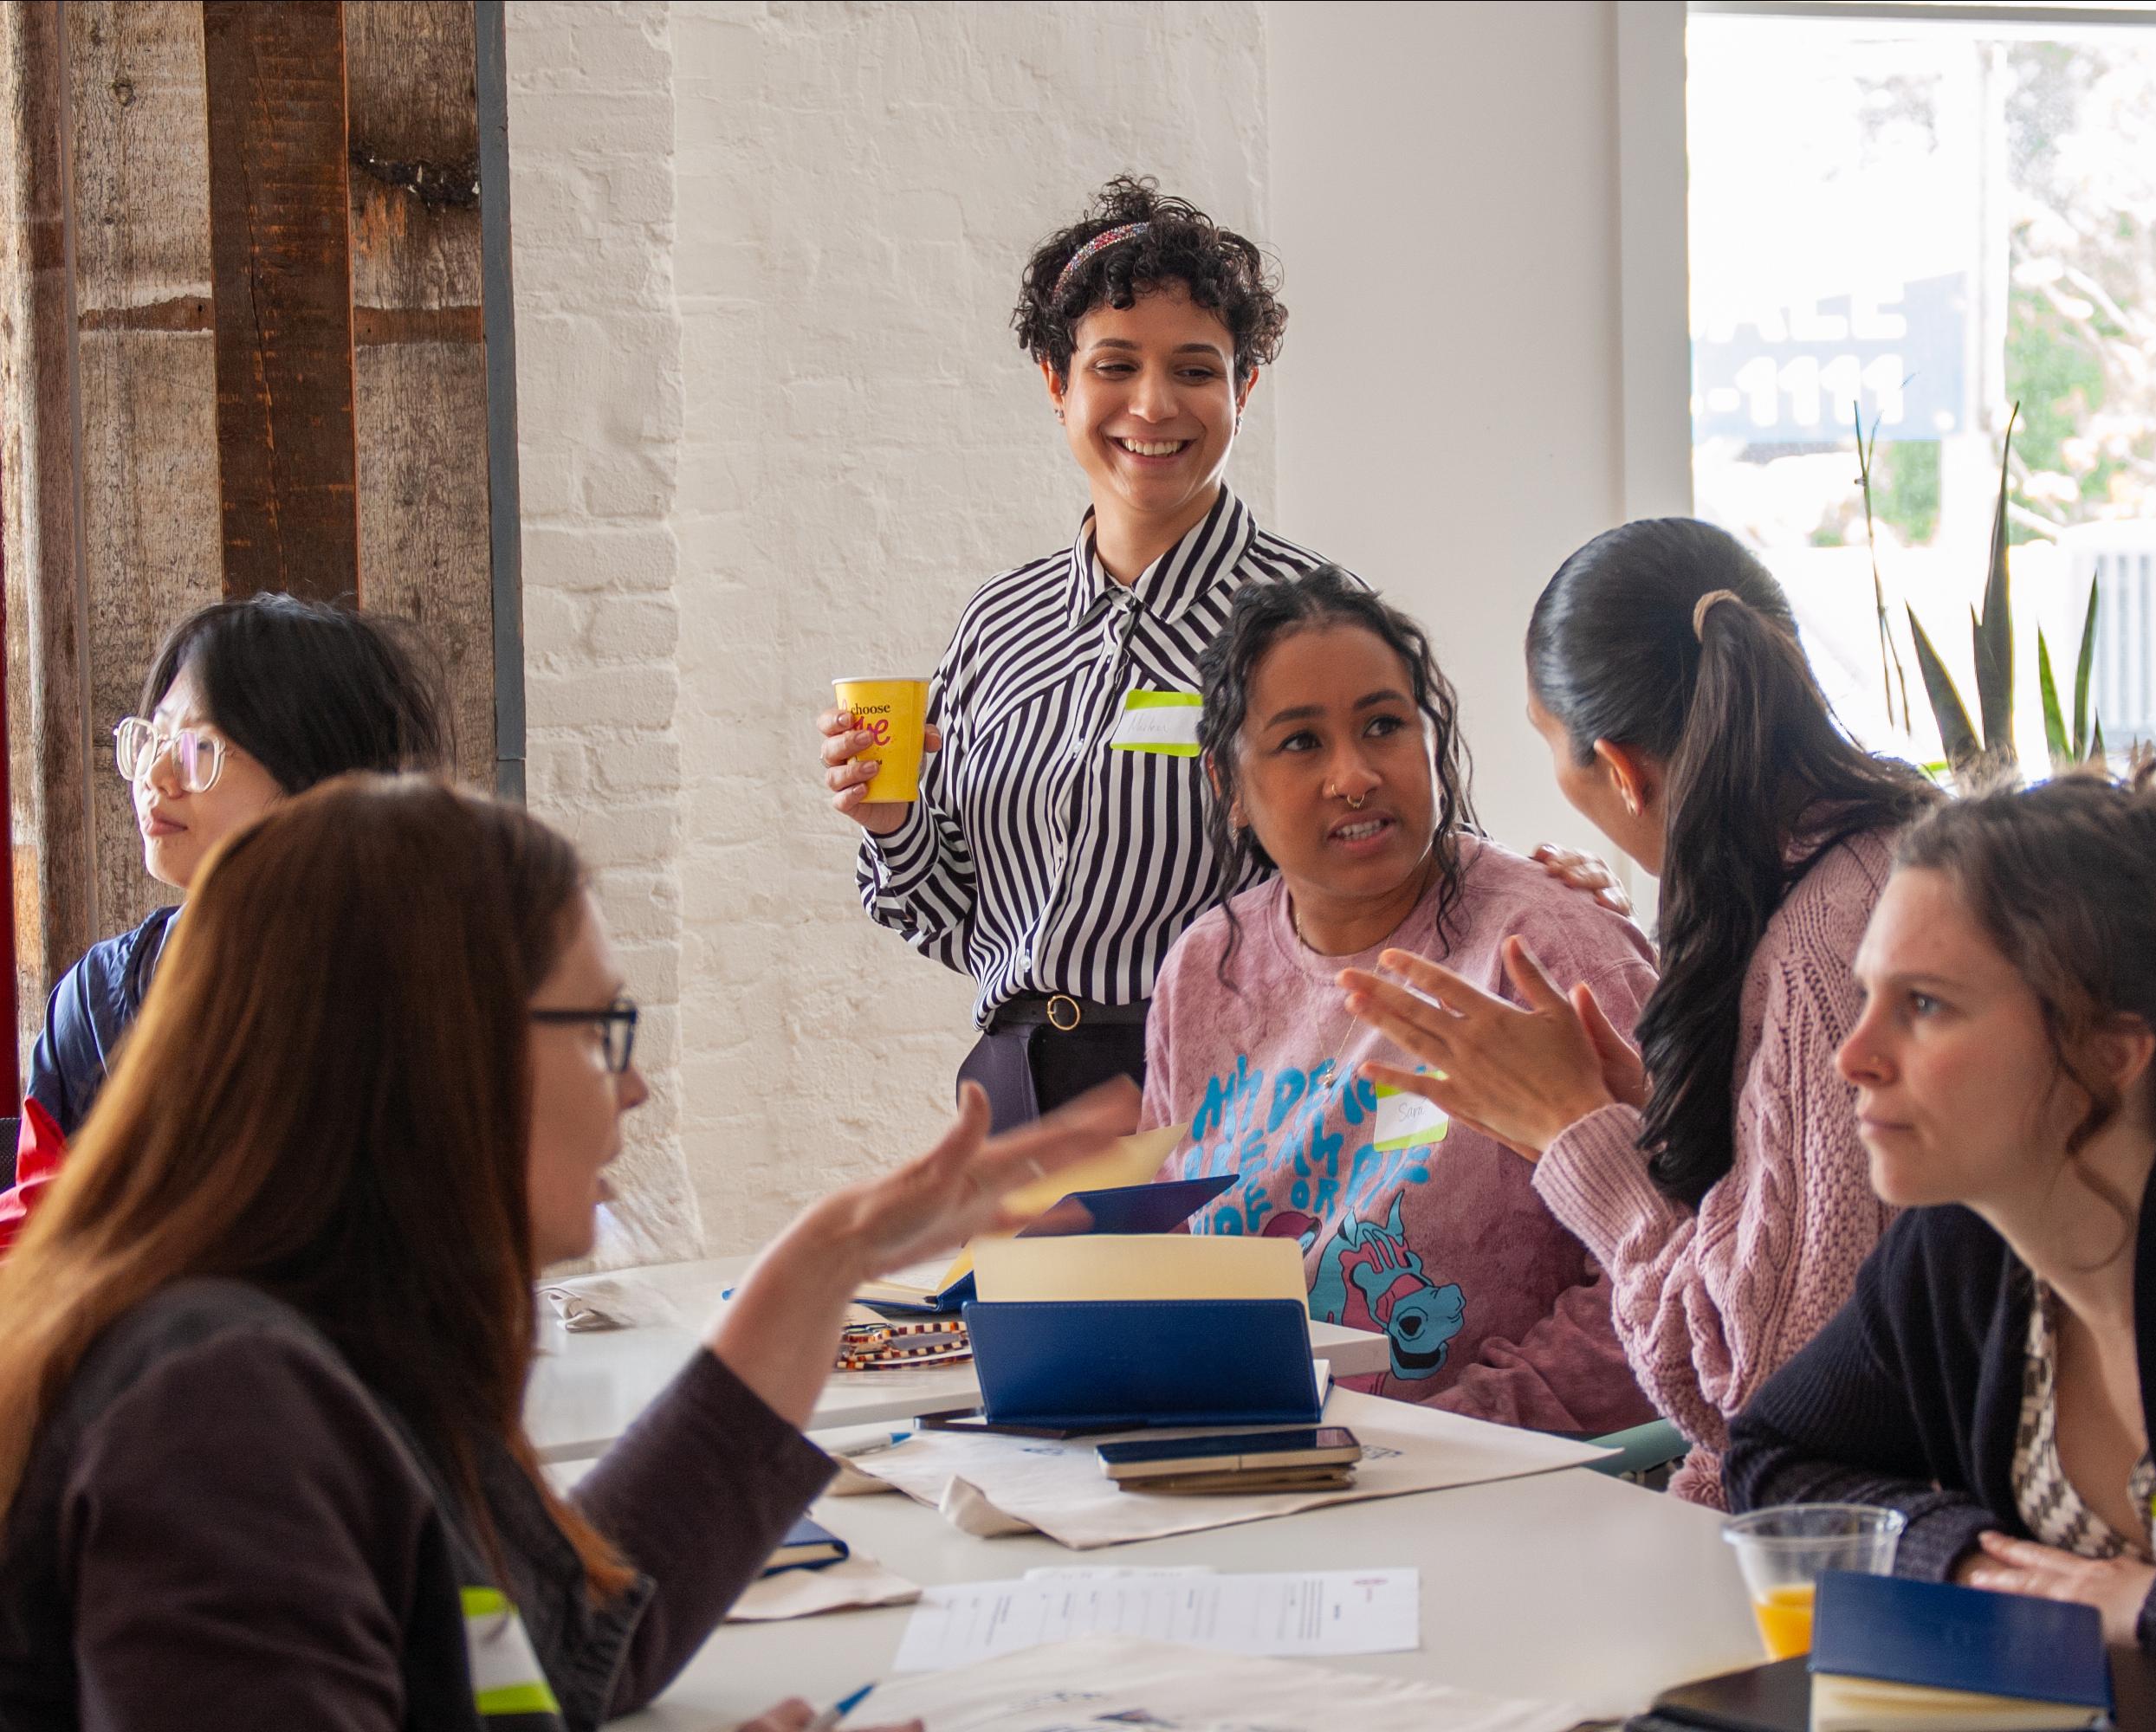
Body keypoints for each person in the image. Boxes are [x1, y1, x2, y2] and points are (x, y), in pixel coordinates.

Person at [0, 774, 1137, 1729]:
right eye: (600, 1033)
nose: (634, 1085)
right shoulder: (218, 1412)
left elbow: (563, 1638)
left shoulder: (345, 1338)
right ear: (440, 1061)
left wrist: (825, 1263)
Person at [1726, 766, 2156, 1692]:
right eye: (1868, 993)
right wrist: (1972, 1563)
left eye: (1924, 1004)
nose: (1853, 1054)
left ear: (2108, 1055)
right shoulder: (1958, 1245)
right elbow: (1773, 1460)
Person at [1339, 520, 1937, 1499]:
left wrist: (1582, 1141)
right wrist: (1651, 1105)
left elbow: (1764, 1395)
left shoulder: (1824, 948)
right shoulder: (1879, 862)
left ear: (1619, 768)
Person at [816, 176, 1337, 1132]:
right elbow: (955, 913)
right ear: (1057, 382)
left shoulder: (1316, 624)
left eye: (1193, 368)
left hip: (1228, 1094)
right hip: (1012, 1091)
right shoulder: (998, 624)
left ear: (1241, 389)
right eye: (1113, 365)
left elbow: (1403, 873)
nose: (1152, 404)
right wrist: (892, 820)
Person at [1140, 567, 1660, 1435]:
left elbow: (1668, 1267)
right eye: (1300, 742)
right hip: (1240, 1463)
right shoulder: (1204, 968)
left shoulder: (1545, 950)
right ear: (1229, 788)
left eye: (1384, 725)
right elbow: (1169, 1248)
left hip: (1493, 1484)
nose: (1353, 775)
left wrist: (1456, 1432)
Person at [0, 594, 450, 1251]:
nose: (155, 775)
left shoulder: (412, 997)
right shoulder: (95, 999)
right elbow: (34, 1243)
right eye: (152, 737)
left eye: (198, 748)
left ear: (319, 780)